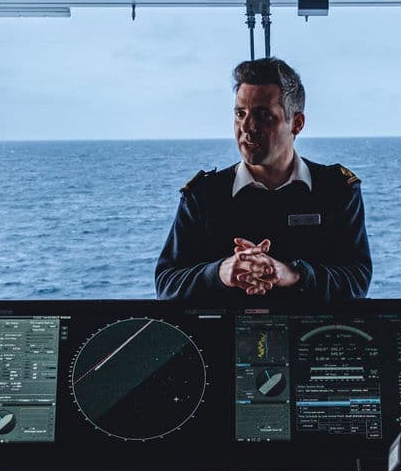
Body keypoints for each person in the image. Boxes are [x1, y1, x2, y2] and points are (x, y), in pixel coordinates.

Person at [155, 58, 371, 302]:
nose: (247, 127)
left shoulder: (336, 191)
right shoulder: (204, 195)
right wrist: (220, 272)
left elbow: (357, 281)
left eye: (263, 115)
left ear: (296, 124)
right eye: (240, 114)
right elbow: (167, 285)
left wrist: (293, 274)